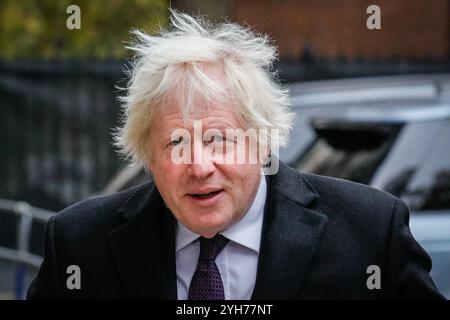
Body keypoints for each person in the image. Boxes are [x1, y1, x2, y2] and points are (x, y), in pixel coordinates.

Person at [28, 10, 443, 300]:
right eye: (177, 143)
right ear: (147, 155)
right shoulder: (79, 244)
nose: (200, 166)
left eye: (218, 139)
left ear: (262, 142)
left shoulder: (370, 233)